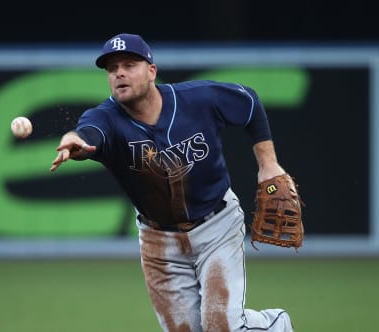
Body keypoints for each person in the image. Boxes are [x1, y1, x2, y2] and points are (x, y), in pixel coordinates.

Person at [50, 33, 294, 332]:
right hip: (159, 242)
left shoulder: (197, 98)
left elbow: (250, 102)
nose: (119, 73)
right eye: (112, 69)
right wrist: (72, 141)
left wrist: (268, 164)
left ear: (152, 71)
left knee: (221, 327)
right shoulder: (106, 118)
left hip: (217, 226)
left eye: (129, 64)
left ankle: (275, 325)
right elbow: (85, 133)